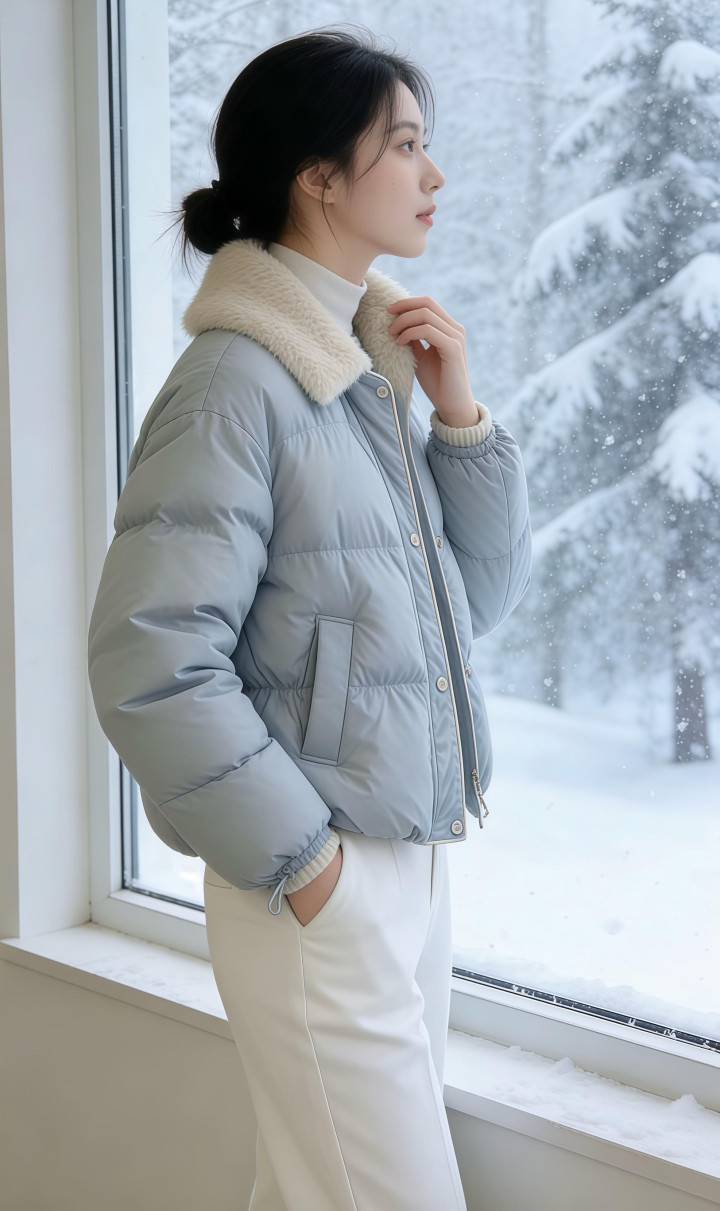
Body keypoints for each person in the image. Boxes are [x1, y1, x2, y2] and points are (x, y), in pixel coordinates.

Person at [87, 23, 532, 1211]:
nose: (435, 174)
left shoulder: (363, 367)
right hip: (316, 870)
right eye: (407, 146)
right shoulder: (237, 385)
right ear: (319, 176)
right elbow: (149, 656)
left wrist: (461, 423)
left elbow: (473, 608)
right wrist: (307, 864)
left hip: (405, 859)